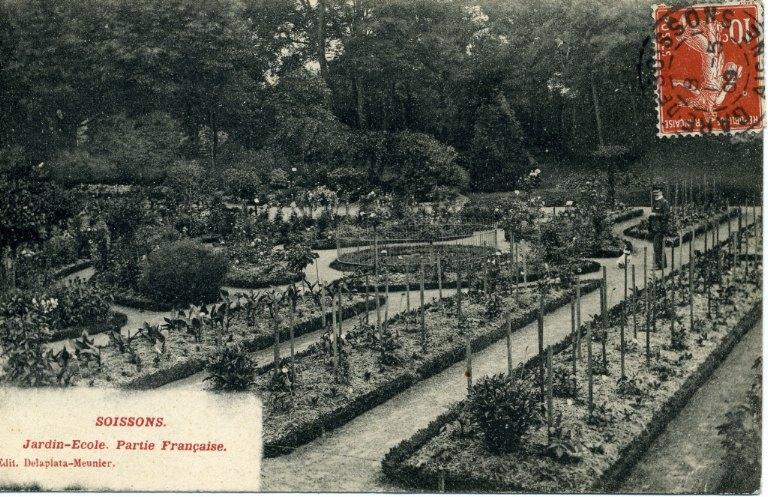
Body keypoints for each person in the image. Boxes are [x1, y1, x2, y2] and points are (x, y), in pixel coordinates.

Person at [648, 186, 670, 270]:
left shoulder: (664, 202)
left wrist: (655, 214)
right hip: (655, 228)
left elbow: (666, 215)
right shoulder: (656, 202)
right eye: (654, 193)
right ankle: (662, 264)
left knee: (657, 246)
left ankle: (658, 264)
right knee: (658, 246)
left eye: (657, 192)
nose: (655, 194)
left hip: (660, 228)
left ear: (661, 192)